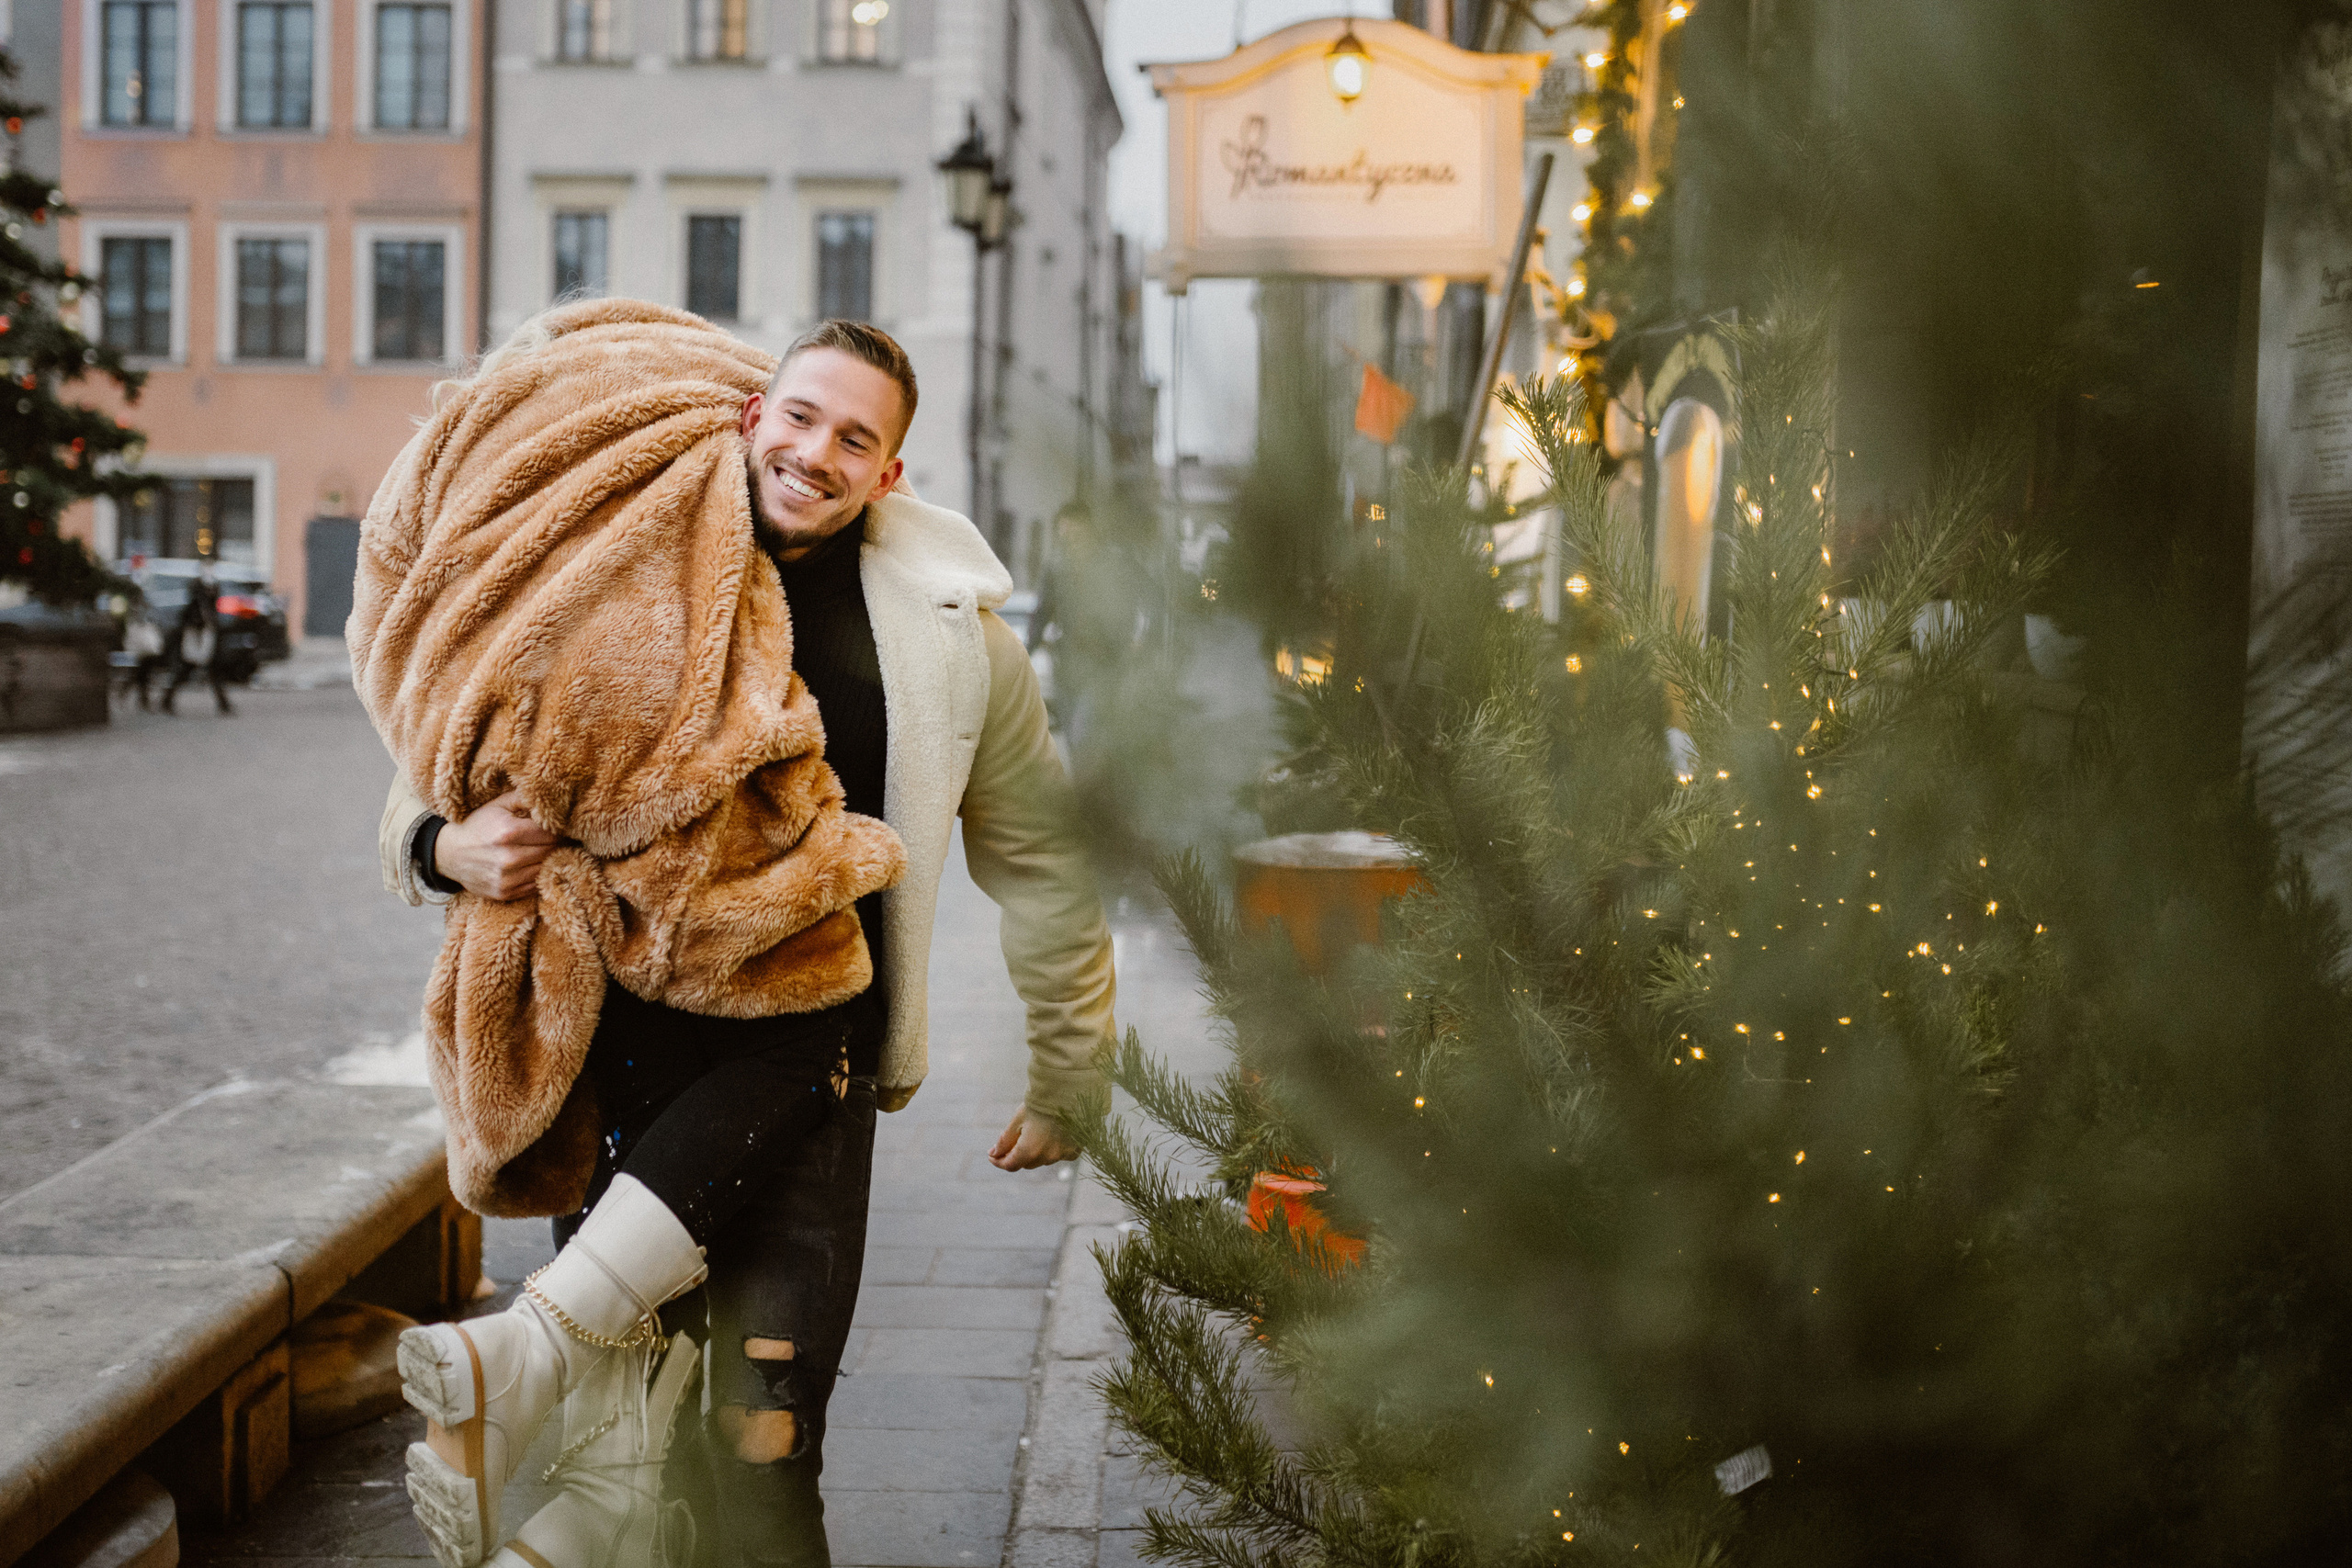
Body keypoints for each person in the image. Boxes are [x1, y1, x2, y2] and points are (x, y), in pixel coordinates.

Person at [377, 319, 1115, 1568]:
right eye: (802, 415)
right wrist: (437, 847)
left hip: (810, 1077)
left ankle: (528, 1368)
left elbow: (1043, 855)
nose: (817, 450)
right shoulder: (627, 563)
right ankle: (550, 1428)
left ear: (889, 473)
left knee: (762, 1439)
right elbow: (448, 737)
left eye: (855, 437)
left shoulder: (954, 638)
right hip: (618, 1068)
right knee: (625, 1448)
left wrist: (1071, 1062)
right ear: (751, 416)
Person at [163, 564, 232, 716]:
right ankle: (167, 699)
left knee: (212, 671)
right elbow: (190, 620)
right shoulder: (196, 606)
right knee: (188, 669)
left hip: (205, 638)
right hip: (196, 638)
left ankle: (224, 704)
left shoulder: (207, 606)